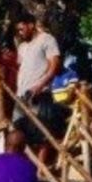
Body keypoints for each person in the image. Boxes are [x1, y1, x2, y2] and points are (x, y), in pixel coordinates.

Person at [14, 13, 62, 158]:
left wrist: (40, 85)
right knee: (18, 129)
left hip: (39, 93)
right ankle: (23, 164)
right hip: (21, 94)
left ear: (31, 25)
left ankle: (40, 169)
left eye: (22, 29)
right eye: (18, 30)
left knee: (40, 133)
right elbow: (21, 67)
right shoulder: (22, 46)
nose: (20, 32)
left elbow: (54, 66)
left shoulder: (47, 39)